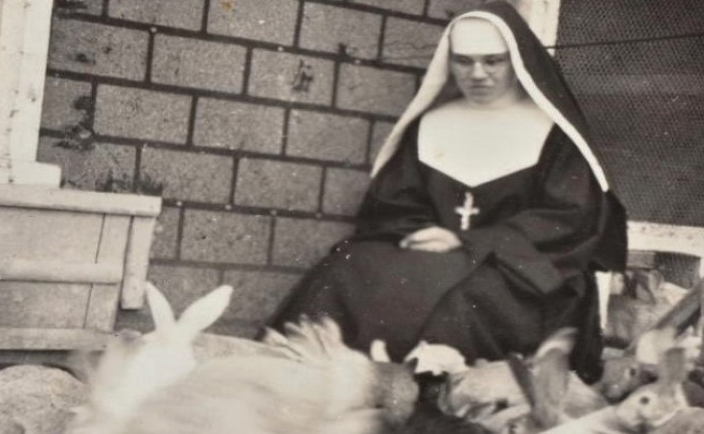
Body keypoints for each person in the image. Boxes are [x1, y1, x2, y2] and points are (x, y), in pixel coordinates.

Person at [266, 1, 626, 383]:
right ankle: (297, 382)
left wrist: (465, 239)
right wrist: (419, 232)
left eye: (493, 61)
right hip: (435, 258)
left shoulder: (554, 135)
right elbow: (393, 204)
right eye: (464, 61)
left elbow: (568, 219)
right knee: (346, 270)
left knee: (464, 300)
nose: (477, 74)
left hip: (517, 266)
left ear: (518, 61)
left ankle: (423, 395)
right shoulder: (431, 124)